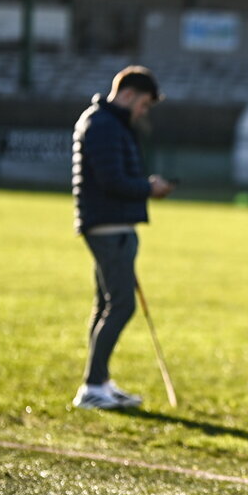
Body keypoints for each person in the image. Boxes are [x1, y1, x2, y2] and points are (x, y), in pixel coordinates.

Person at [71, 66, 175, 410]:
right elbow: (111, 181)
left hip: (113, 225)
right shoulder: (102, 123)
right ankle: (92, 387)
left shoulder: (109, 122)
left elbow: (114, 176)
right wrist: (149, 187)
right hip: (108, 226)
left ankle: (98, 381)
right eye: (144, 104)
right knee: (121, 304)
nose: (143, 112)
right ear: (128, 94)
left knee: (106, 304)